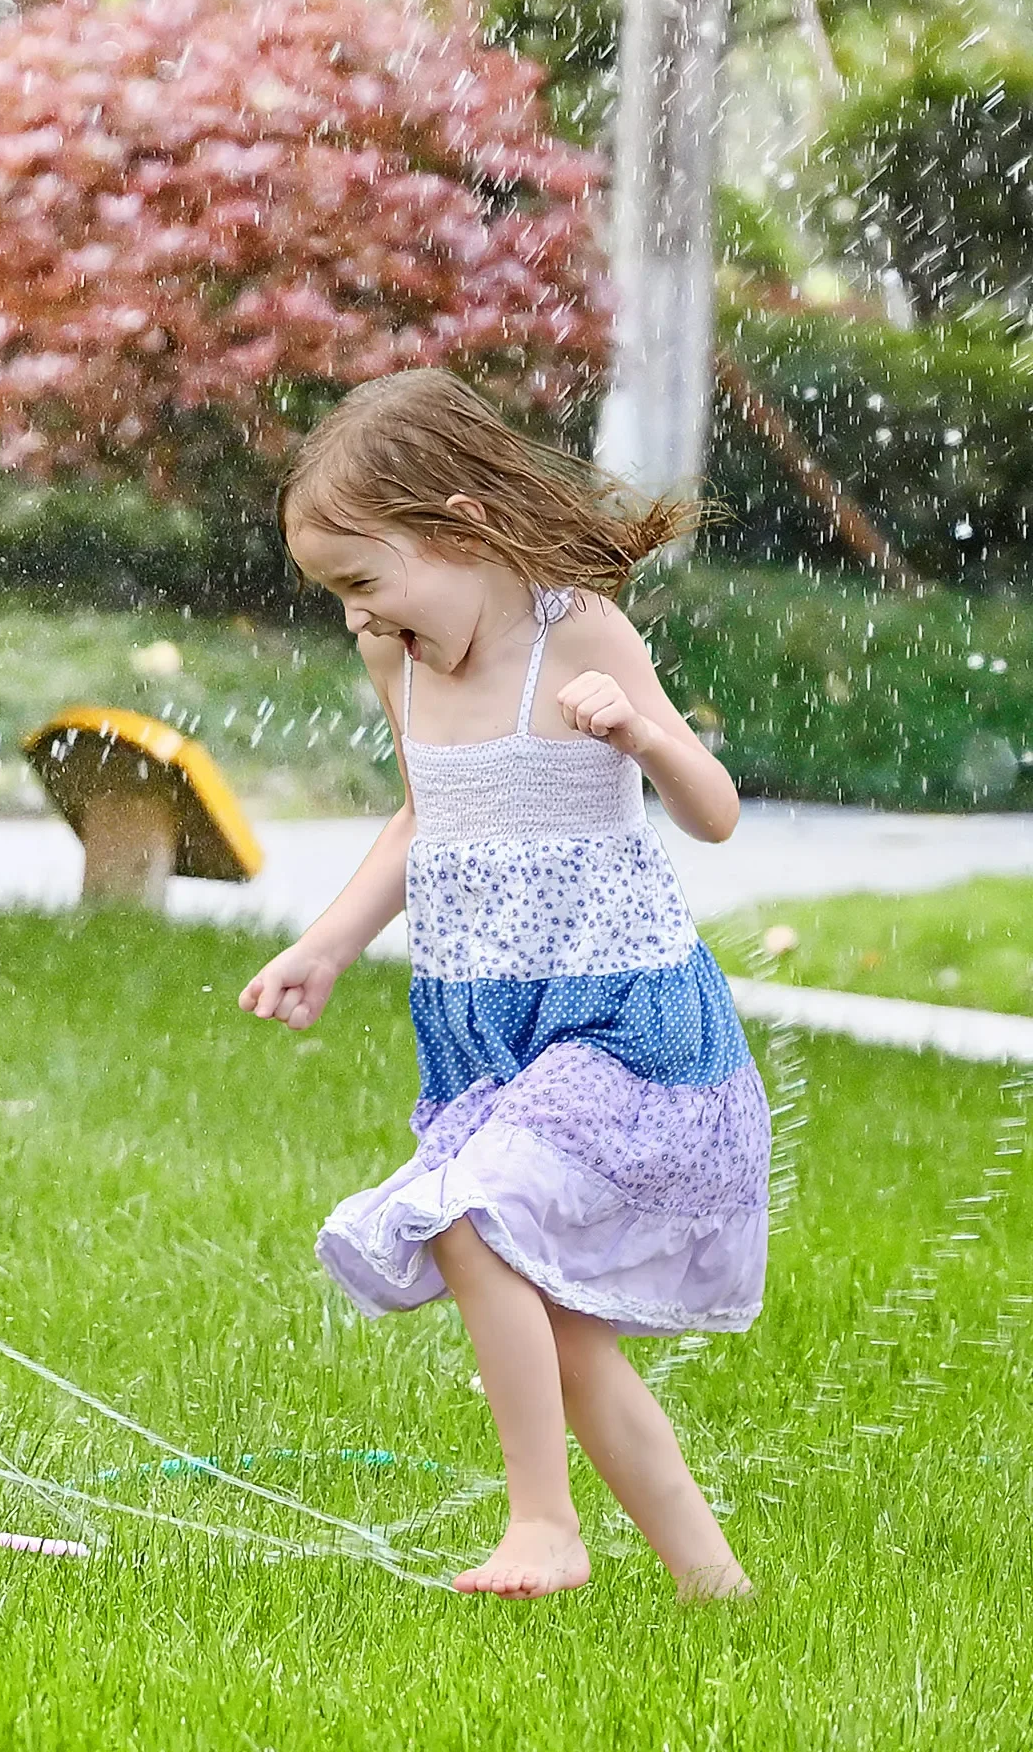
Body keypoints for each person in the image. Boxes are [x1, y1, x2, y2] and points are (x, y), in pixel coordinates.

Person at [241, 369, 767, 1602]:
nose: (356, 613)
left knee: (467, 1213)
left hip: (624, 1026)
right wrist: (326, 943)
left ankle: (542, 1524)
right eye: (334, 593)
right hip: (492, 1038)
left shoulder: (576, 629)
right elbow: (423, 815)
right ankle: (713, 1584)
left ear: (460, 525)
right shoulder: (395, 656)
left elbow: (714, 811)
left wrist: (642, 736)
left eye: (364, 579)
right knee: (565, 1335)